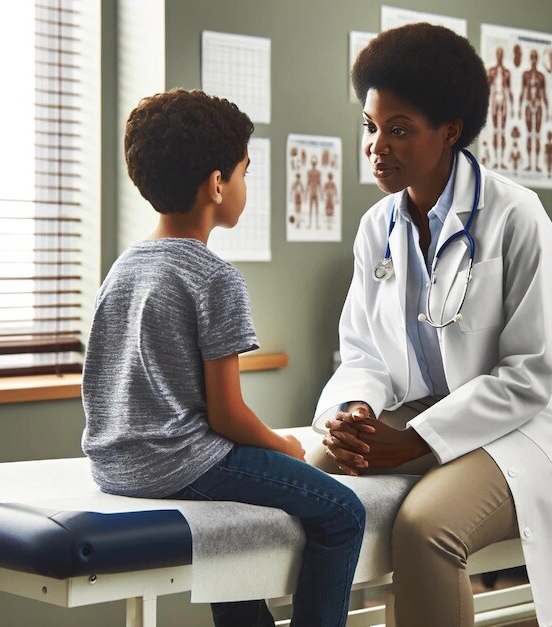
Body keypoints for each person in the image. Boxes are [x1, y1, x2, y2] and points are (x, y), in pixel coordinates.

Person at [307, 24, 552, 627]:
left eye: (398, 130)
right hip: (428, 408)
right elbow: (362, 351)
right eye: (370, 126)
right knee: (310, 479)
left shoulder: (516, 215)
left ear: (449, 131)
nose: (376, 146)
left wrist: (417, 437)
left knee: (425, 527)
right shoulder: (377, 226)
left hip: (524, 425)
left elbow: (528, 374)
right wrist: (358, 413)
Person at [81, 88, 365, 627]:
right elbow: (226, 417)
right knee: (345, 513)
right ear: (217, 184)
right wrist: (287, 446)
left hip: (113, 465)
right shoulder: (214, 278)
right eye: (245, 172)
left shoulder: (124, 267)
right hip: (180, 464)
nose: (244, 185)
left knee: (237, 539)